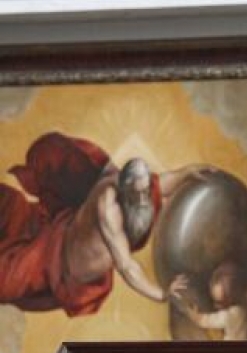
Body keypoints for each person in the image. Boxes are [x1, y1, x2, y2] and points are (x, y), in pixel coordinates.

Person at [0, 132, 202, 316]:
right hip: (54, 259)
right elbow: (126, 266)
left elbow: (163, 182)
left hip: (69, 259)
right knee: (6, 282)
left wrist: (187, 172)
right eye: (137, 194)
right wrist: (161, 294)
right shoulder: (108, 208)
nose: (144, 199)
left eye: (145, 192)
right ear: (123, 188)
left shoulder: (139, 189)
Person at [170, 261, 247, 340]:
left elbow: (203, 320)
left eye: (220, 302)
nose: (215, 306)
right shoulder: (246, 306)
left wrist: (191, 312)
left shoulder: (231, 316)